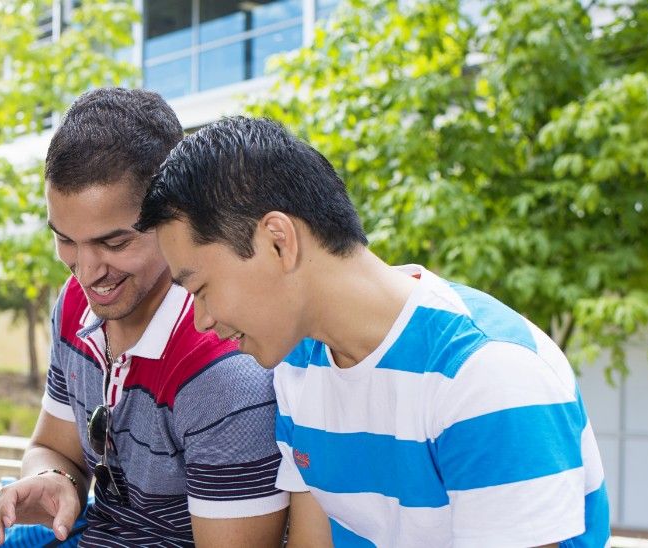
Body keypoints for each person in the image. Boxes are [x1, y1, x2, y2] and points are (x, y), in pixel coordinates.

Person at [135, 116, 609, 546]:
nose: (201, 320)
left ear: (279, 242)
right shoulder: (299, 365)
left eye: (199, 288)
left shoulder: (484, 374)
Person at [0, 89, 287, 547]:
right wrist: (54, 477)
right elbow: (55, 448)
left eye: (114, 243)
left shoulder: (224, 370)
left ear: (172, 219)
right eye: (65, 240)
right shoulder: (75, 305)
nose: (86, 271)